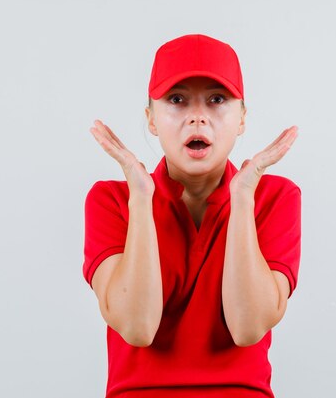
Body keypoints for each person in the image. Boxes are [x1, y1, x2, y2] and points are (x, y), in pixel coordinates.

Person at [83, 33, 301, 398]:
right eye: (177, 100)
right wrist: (141, 198)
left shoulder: (274, 197)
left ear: (242, 117)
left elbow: (248, 328)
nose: (197, 117)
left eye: (217, 100)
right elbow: (138, 327)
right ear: (151, 119)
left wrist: (243, 197)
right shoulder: (112, 200)